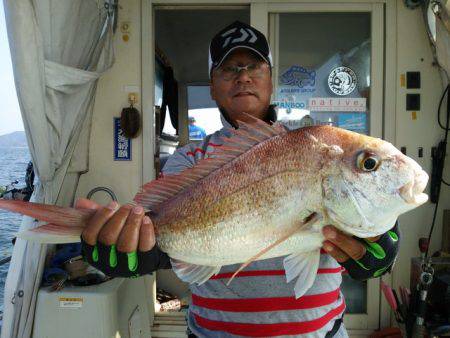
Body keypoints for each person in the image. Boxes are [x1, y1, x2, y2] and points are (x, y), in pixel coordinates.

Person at [79, 21, 400, 337]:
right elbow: (169, 239)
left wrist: (376, 245)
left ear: (270, 78)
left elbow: (366, 244)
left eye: (254, 65)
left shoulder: (315, 147)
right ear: (213, 85)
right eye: (229, 68)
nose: (243, 76)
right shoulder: (190, 160)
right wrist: (139, 249)